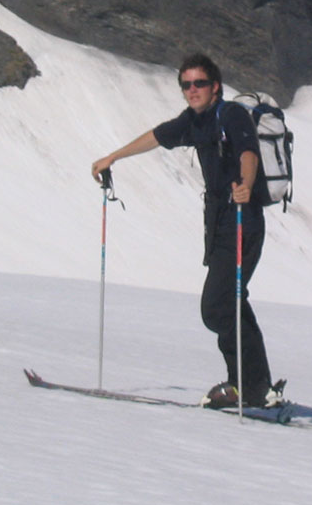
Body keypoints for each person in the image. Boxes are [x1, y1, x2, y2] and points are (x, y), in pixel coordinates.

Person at [90, 53, 280, 409]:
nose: (192, 90)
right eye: (186, 85)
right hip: (219, 224)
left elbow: (248, 153)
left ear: (215, 86)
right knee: (228, 304)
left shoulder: (232, 114)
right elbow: (157, 137)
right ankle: (250, 386)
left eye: (199, 83)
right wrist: (112, 157)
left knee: (218, 306)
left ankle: (253, 386)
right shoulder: (193, 122)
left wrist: (246, 184)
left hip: (243, 220)